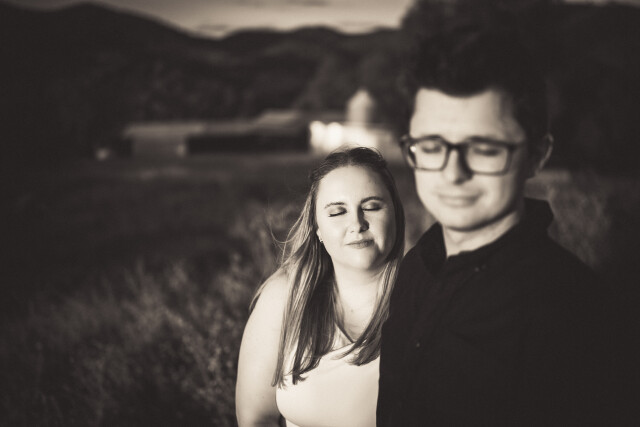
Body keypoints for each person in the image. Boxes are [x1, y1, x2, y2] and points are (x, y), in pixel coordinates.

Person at [377, 26, 614, 426]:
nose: (453, 173)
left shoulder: (576, 314)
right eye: (432, 146)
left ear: (536, 156)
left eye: (484, 149)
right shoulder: (415, 266)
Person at [236, 147, 405, 427]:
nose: (357, 223)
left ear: (396, 215)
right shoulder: (285, 296)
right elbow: (255, 419)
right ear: (318, 230)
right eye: (337, 212)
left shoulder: (426, 300)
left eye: (372, 207)